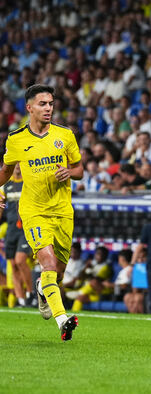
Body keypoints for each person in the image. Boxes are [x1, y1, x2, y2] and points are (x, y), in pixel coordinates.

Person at [0, 84, 83, 341]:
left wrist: (69, 172)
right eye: (43, 104)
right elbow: (5, 169)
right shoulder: (16, 139)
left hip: (62, 211)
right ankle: (63, 320)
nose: (48, 108)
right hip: (34, 211)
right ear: (29, 108)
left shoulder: (65, 135)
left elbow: (79, 169)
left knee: (56, 273)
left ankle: (41, 288)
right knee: (46, 262)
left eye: (50, 104)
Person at [0, 163, 34, 307]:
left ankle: (31, 293)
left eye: (20, 163)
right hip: (11, 228)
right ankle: (21, 299)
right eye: (16, 163)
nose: (18, 166)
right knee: (13, 264)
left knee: (21, 260)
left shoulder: (27, 182)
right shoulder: (5, 186)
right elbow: (1, 205)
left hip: (25, 227)